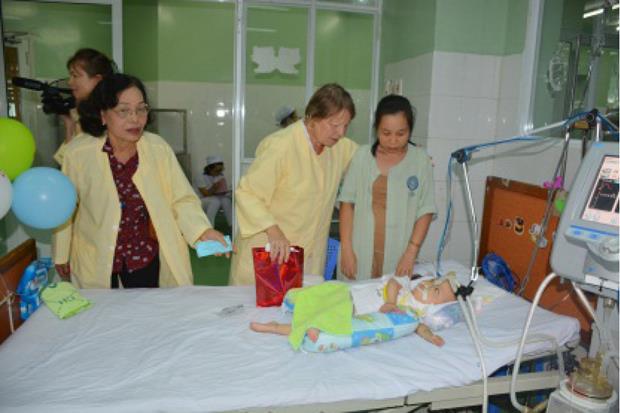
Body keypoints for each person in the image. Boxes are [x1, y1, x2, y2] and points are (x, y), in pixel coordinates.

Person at [53, 73, 228, 289]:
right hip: (95, 253)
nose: (135, 118)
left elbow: (181, 199)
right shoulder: (78, 153)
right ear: (103, 115)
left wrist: (202, 231)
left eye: (141, 109)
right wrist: (61, 253)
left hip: (143, 254)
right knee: (100, 317)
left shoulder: (158, 149)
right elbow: (64, 207)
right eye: (123, 111)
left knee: (148, 315)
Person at [230, 83, 358, 285]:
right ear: (313, 118)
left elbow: (370, 160)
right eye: (334, 125)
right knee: (260, 312)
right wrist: (274, 231)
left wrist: (410, 158)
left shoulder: (339, 147)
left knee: (298, 312)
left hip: (308, 256)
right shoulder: (282, 146)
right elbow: (247, 193)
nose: (341, 132)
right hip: (269, 250)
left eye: (346, 125)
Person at [338, 95, 437, 281]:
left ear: (410, 130)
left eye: (401, 134)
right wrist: (346, 248)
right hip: (358, 252)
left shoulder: (420, 161)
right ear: (376, 129)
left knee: (392, 302)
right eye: (386, 133)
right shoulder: (362, 157)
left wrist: (411, 252)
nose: (393, 140)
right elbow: (347, 204)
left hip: (399, 255)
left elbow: (426, 210)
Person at [250, 275, 457, 347]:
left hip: (352, 310)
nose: (428, 286)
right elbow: (392, 283)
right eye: (433, 283)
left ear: (432, 305)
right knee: (320, 293)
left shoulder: (415, 311)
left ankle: (277, 328)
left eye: (435, 290)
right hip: (348, 293)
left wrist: (431, 337)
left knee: (328, 320)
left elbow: (419, 327)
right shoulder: (405, 286)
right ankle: (297, 302)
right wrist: (391, 302)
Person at [54, 48, 116, 165]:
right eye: (70, 76)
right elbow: (67, 162)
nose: (69, 82)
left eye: (75, 76)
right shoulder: (78, 112)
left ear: (97, 80)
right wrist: (69, 125)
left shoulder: (111, 114)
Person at [198, 155, 233, 228]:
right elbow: (205, 194)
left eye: (221, 170)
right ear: (209, 169)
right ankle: (209, 226)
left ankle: (232, 225)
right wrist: (214, 187)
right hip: (200, 200)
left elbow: (221, 191)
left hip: (213, 197)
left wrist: (228, 192)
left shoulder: (219, 175)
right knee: (215, 201)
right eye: (217, 171)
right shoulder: (200, 177)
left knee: (226, 200)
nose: (219, 172)